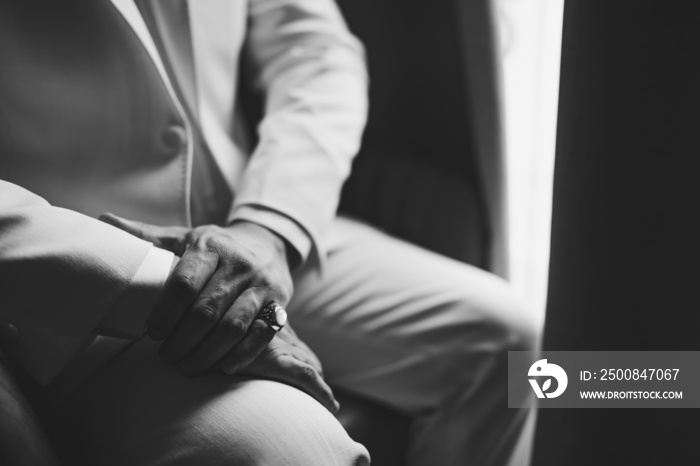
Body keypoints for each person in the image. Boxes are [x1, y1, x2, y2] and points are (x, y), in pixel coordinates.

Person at [0, 0, 536, 464]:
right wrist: (170, 288)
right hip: (86, 290)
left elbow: (317, 51)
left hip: (252, 222)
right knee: (295, 452)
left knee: (510, 340)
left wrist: (268, 230)